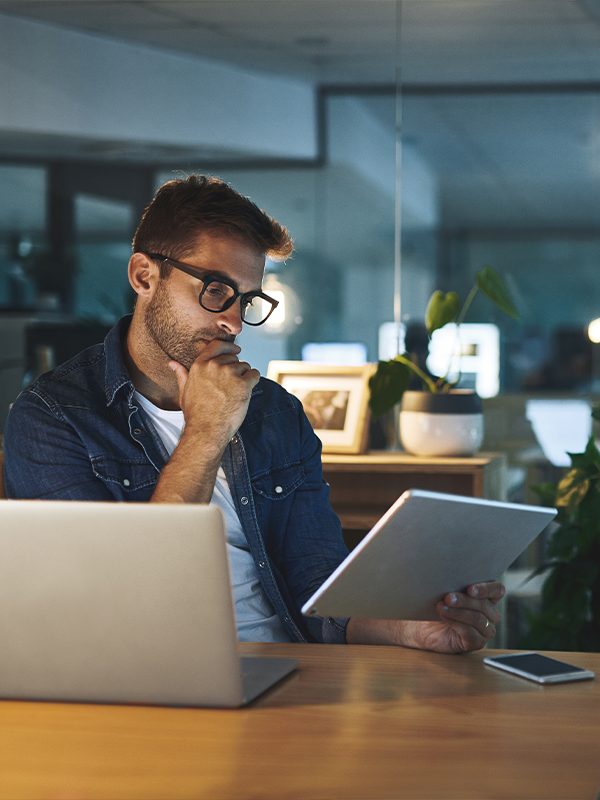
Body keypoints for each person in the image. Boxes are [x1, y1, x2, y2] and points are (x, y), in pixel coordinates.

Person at [3, 174, 504, 651]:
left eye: (247, 299)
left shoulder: (275, 413)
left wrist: (414, 630)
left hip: (291, 667)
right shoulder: (54, 417)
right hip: (151, 675)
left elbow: (318, 586)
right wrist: (206, 432)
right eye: (215, 289)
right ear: (143, 275)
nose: (233, 321)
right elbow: (119, 606)